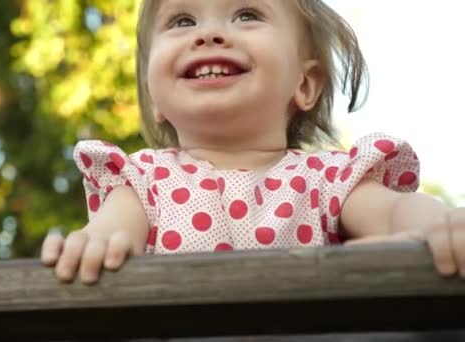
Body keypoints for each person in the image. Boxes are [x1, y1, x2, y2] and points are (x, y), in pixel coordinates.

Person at [41, 0, 465, 285]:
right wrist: (92, 243)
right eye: (182, 21)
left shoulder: (329, 180)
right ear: (155, 99)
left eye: (246, 14)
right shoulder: (143, 182)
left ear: (305, 83)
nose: (207, 33)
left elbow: (395, 214)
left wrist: (440, 223)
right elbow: (110, 235)